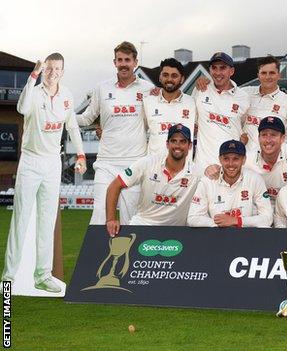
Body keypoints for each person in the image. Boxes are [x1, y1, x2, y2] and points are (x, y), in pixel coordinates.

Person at [2, 54, 87, 292]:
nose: (53, 73)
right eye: (49, 69)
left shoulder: (67, 96)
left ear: (62, 70)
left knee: (47, 221)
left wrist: (81, 155)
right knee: (21, 218)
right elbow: (21, 108)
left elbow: (72, 127)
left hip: (52, 162)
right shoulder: (34, 92)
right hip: (30, 160)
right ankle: (9, 276)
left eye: (57, 69)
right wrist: (32, 77)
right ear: (44, 70)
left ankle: (43, 275)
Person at [76, 41, 154, 225]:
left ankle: (131, 255)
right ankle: (98, 254)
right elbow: (87, 118)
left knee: (131, 218)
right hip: (106, 162)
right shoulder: (102, 88)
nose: (123, 64)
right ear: (114, 62)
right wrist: (61, 117)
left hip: (134, 163)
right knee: (99, 215)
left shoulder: (148, 90)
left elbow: (156, 123)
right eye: (120, 60)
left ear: (135, 62)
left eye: (127, 60)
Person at [105, 124, 200, 236]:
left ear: (189, 145)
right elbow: (115, 186)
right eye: (173, 141)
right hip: (143, 225)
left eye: (182, 141)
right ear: (167, 144)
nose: (177, 145)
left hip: (177, 231)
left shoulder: (197, 172)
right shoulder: (148, 163)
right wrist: (111, 219)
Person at [194, 55, 287, 150]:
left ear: (279, 75)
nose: (267, 77)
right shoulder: (244, 94)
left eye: (272, 73)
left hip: (271, 161)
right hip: (244, 160)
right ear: (258, 75)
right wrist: (205, 80)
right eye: (263, 73)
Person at [187, 140, 272, 228]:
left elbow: (267, 218)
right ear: (220, 159)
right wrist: (219, 223)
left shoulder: (255, 179)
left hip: (247, 236)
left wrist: (236, 221)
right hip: (218, 235)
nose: (230, 164)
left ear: (244, 160)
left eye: (236, 159)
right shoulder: (207, 181)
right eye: (226, 159)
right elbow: (193, 218)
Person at [193, 52, 250, 170]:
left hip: (230, 167)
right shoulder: (200, 89)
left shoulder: (243, 97)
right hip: (203, 167)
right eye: (214, 68)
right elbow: (192, 121)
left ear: (232, 71)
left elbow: (245, 128)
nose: (218, 73)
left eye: (223, 68)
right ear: (210, 70)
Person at [143, 58, 196, 159]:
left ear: (182, 79)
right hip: (154, 169)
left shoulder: (192, 103)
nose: (169, 79)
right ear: (160, 77)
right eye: (165, 75)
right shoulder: (148, 101)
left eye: (174, 76)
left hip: (183, 170)